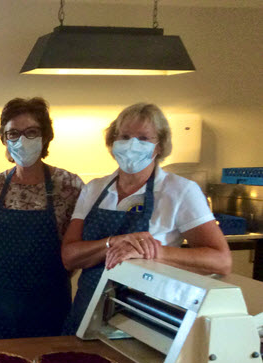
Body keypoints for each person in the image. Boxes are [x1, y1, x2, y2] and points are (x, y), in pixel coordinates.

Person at [62, 102, 231, 334]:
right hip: (86, 311)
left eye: (143, 138)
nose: (132, 145)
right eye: (125, 136)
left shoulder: (180, 191)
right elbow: (70, 257)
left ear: (159, 146)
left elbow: (221, 261)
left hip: (144, 317)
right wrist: (114, 242)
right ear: (113, 142)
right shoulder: (94, 190)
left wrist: (153, 252)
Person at [0, 97, 83, 339]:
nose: (22, 140)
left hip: (50, 304)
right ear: (4, 139)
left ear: (45, 137)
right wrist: (3, 280)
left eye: (31, 132)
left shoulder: (69, 186)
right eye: (13, 134)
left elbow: (76, 249)